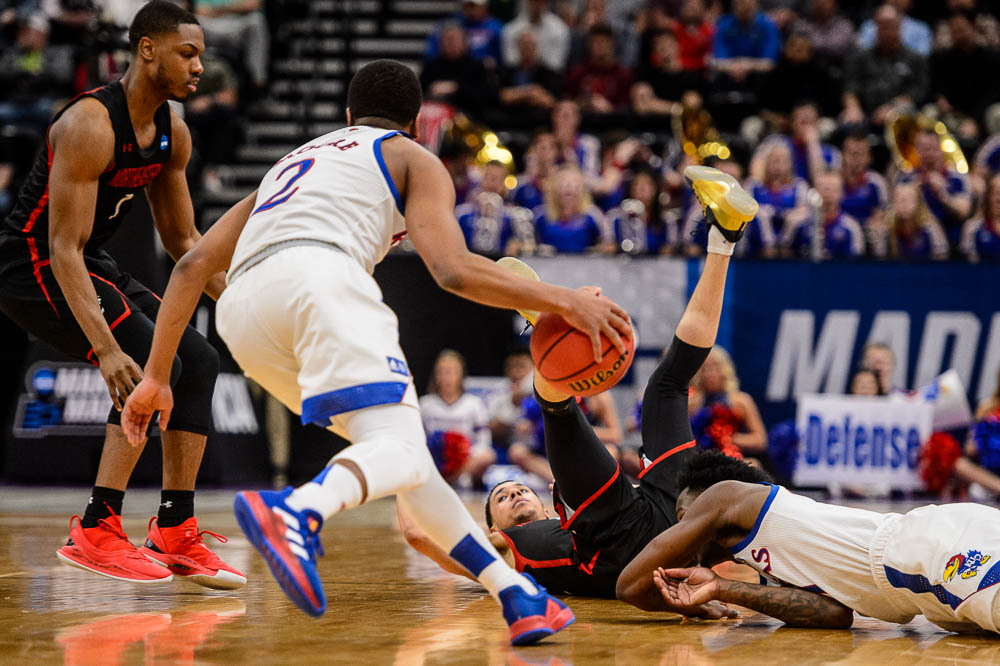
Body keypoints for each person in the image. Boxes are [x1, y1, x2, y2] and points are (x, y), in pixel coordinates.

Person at [121, 59, 633, 643]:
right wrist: (565, 301)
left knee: (402, 454)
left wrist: (157, 375)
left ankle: (515, 593)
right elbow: (454, 271)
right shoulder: (411, 157)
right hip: (320, 279)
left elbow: (189, 267)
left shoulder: (292, 162)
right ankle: (299, 509)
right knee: (398, 448)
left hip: (240, 311)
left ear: (346, 117)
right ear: (416, 123)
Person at [399, 165, 758, 605]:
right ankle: (550, 324)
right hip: (624, 544)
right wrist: (402, 458)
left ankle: (723, 235)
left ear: (547, 505)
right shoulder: (510, 553)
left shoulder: (561, 512)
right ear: (493, 529)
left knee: (667, 383)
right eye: (504, 498)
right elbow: (421, 536)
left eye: (515, 490)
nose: (513, 494)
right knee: (561, 408)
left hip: (664, 510)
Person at [0, 1, 243, 588]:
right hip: (28, 263)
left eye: (201, 56)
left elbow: (186, 241)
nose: (198, 68)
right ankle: (96, 527)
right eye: (187, 53)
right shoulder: (88, 124)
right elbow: (61, 248)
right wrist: (107, 350)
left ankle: (174, 529)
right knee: (147, 359)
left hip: (90, 260)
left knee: (200, 359)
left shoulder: (172, 133)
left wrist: (250, 308)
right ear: (147, 50)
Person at [616, 450, 1000, 635]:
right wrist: (722, 588)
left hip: (923, 551)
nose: (684, 531)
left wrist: (696, 605)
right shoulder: (765, 551)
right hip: (920, 579)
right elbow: (834, 615)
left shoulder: (725, 494)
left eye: (685, 518)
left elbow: (629, 584)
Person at [842, 4, 928, 127]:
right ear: (876, 29)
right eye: (883, 27)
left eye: (890, 27)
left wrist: (892, 108)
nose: (887, 32)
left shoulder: (916, 59)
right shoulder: (859, 58)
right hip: (864, 114)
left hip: (902, 115)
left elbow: (918, 92)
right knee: (846, 125)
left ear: (900, 28)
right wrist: (852, 107)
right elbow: (850, 87)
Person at [420, 349, 495, 488]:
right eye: (442, 371)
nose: (447, 377)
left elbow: (484, 440)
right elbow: (419, 438)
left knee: (488, 456)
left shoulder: (474, 403)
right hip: (434, 460)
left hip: (466, 460)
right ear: (435, 375)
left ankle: (449, 480)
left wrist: (461, 454)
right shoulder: (425, 404)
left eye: (452, 371)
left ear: (461, 374)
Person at [895, 127, 973, 248]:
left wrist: (943, 194)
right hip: (917, 243)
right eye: (923, 148)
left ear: (941, 149)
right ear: (916, 150)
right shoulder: (905, 178)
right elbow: (894, 213)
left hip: (954, 244)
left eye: (932, 148)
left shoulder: (957, 177)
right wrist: (912, 193)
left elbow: (964, 211)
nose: (928, 153)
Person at [689, 346, 768, 459]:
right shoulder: (692, 403)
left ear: (724, 370)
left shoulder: (740, 400)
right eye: (704, 369)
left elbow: (760, 440)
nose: (709, 374)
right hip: (701, 460)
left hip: (734, 458)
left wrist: (725, 437)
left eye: (714, 367)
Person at [783, 170, 865, 259]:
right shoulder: (799, 223)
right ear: (814, 192)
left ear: (841, 193)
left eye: (833, 188)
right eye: (823, 188)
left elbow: (856, 262)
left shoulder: (851, 227)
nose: (828, 192)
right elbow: (785, 254)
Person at [533, 164, 611, 254]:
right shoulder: (540, 215)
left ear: (582, 188)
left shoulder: (593, 214)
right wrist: (538, 249)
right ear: (553, 187)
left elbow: (609, 245)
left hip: (586, 265)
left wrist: (593, 250)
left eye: (574, 182)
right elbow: (528, 246)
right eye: (563, 181)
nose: (568, 186)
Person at [564, 23, 633, 114]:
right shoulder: (577, 72)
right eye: (596, 41)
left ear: (612, 44)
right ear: (589, 45)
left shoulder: (624, 75)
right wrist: (584, 103)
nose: (600, 46)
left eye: (604, 41)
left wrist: (610, 109)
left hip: (614, 124)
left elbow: (628, 108)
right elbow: (566, 102)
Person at [840, 128, 889, 248]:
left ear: (869, 158)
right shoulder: (834, 180)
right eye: (852, 153)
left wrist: (876, 222)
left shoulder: (876, 183)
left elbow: (882, 213)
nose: (856, 159)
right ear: (843, 155)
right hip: (838, 231)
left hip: (867, 234)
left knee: (880, 230)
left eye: (861, 154)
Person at [883, 183, 949, 261]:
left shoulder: (930, 227)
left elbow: (942, 258)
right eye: (898, 199)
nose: (904, 204)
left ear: (918, 202)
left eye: (909, 199)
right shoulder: (888, 227)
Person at [500, 0, 570, 72]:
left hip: (548, 77)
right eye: (533, 1)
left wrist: (536, 61)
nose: (536, 4)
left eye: (540, 1)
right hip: (516, 76)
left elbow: (557, 64)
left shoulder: (560, 29)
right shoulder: (510, 29)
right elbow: (509, 61)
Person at [961, 173, 1000, 263]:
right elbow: (967, 266)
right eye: (996, 194)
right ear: (988, 197)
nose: (999, 199)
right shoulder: (972, 228)